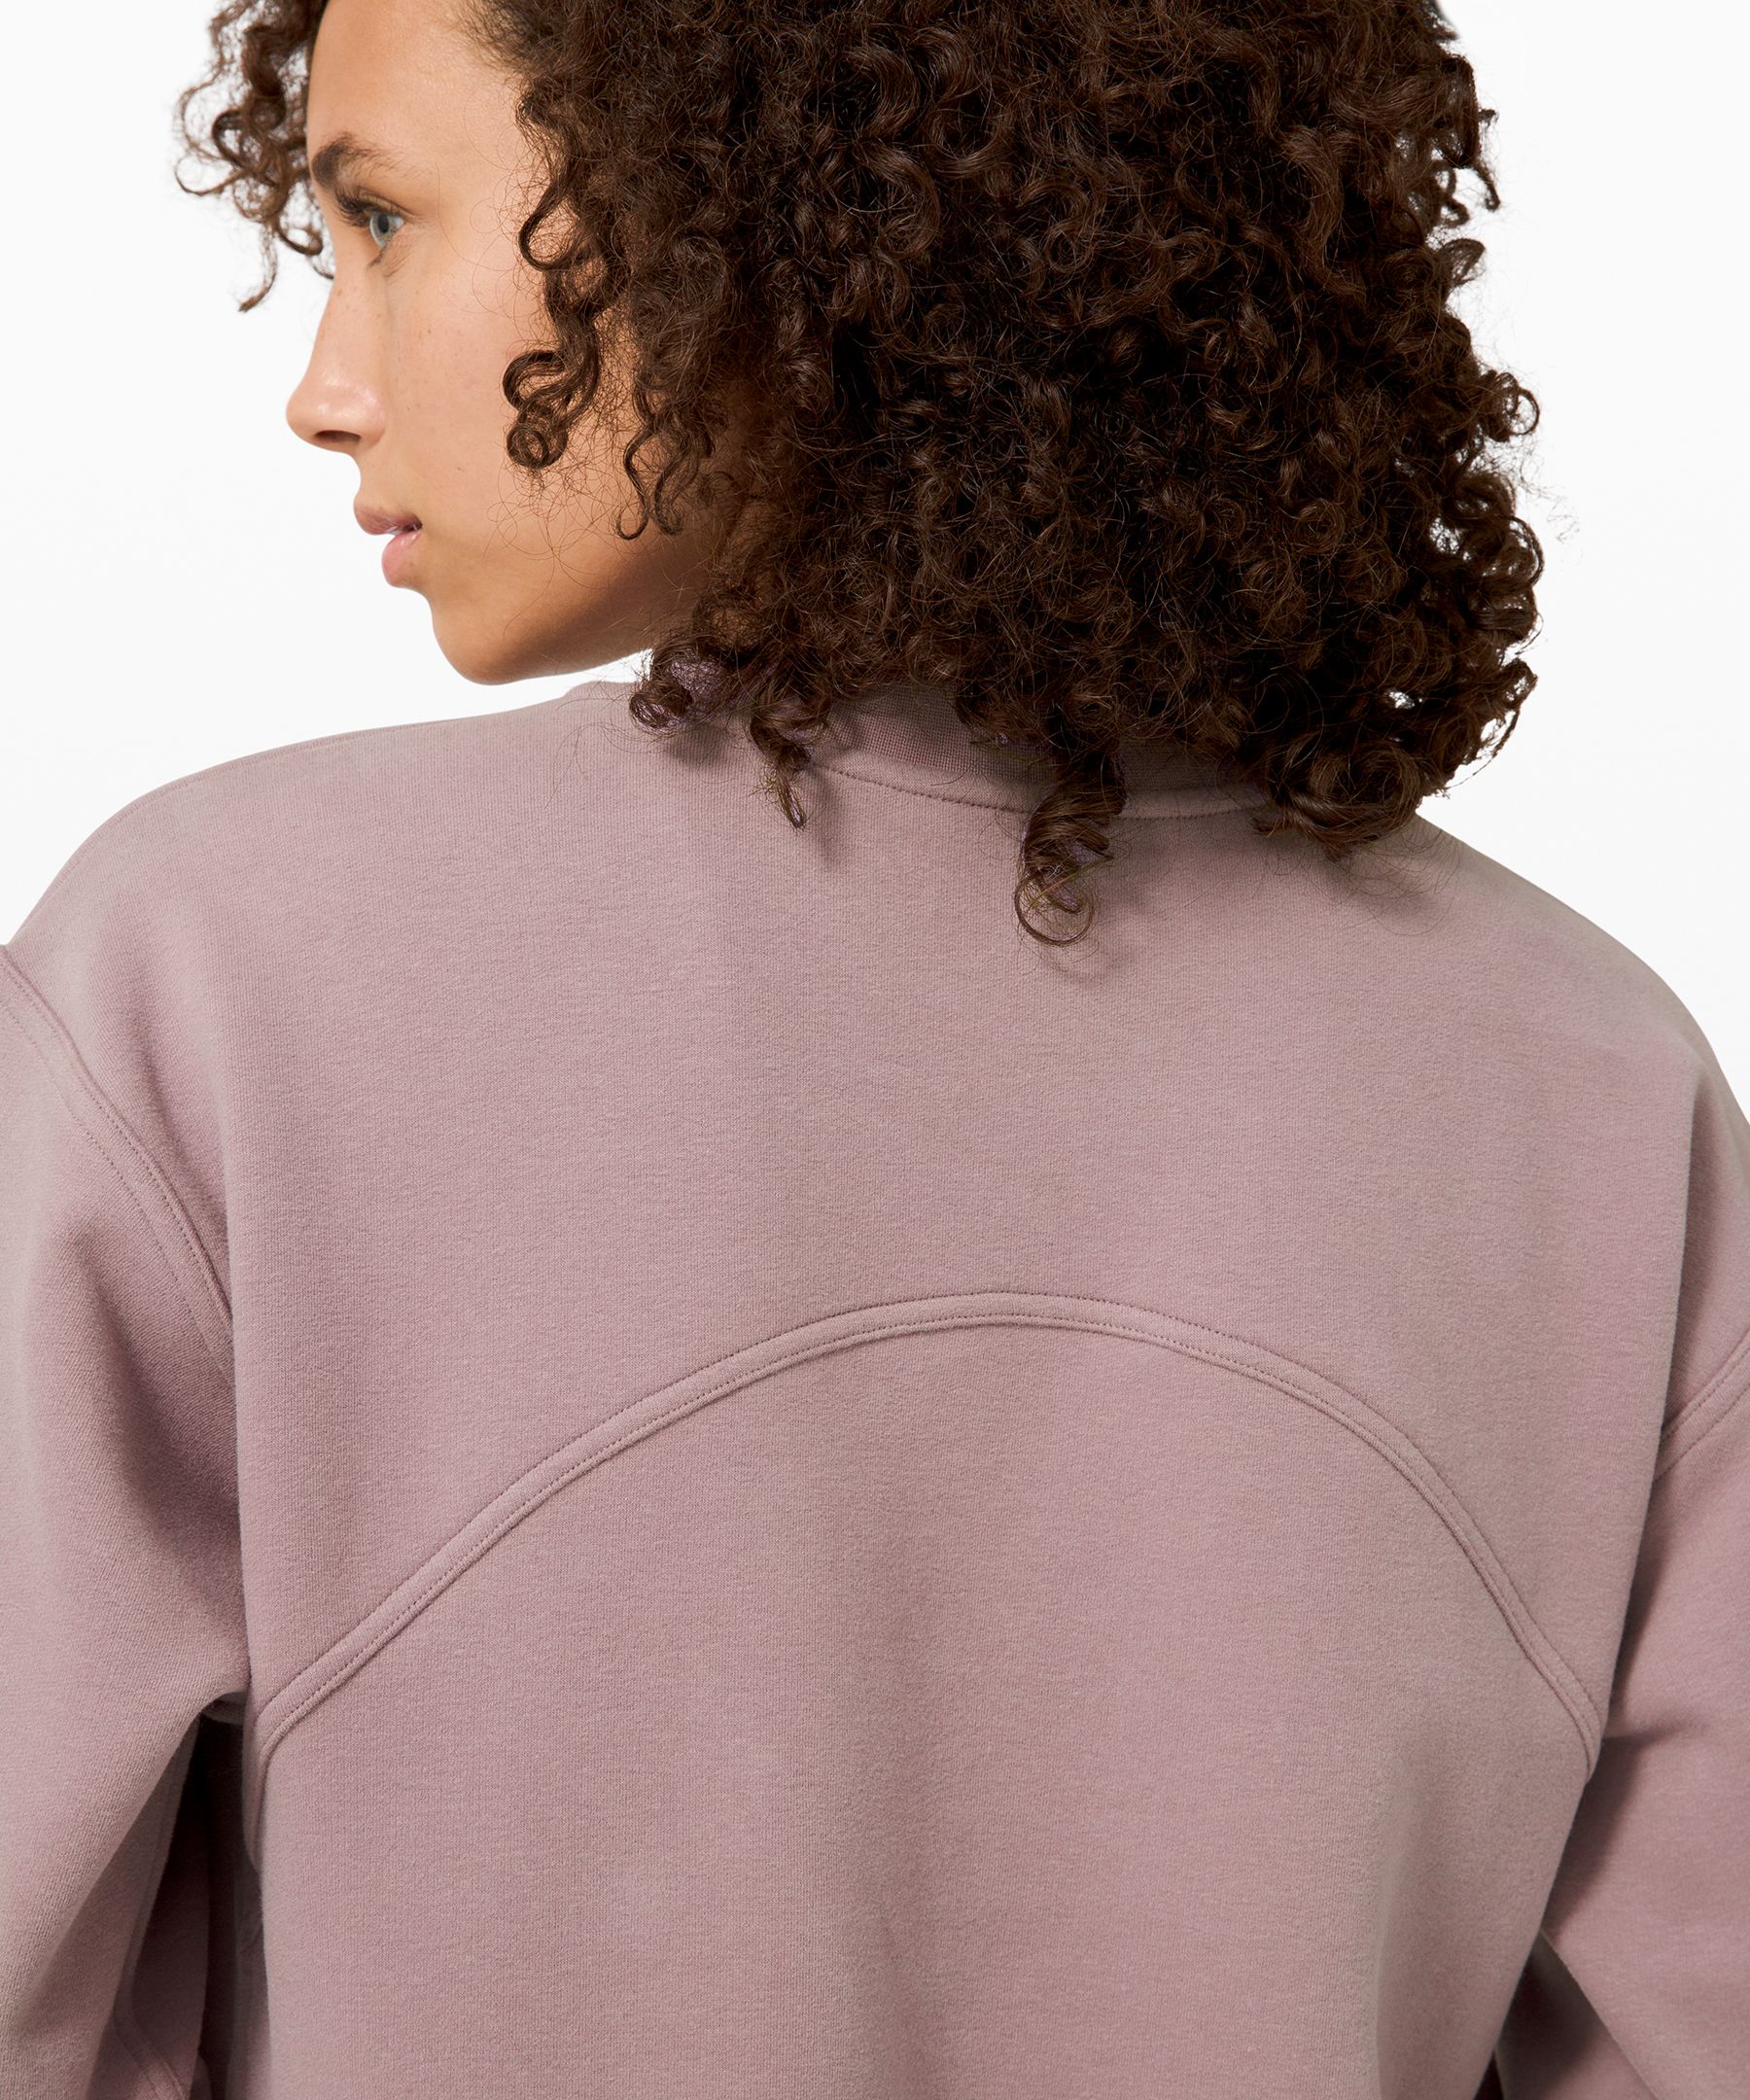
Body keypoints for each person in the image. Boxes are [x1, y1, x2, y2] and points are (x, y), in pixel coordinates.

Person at [1, 0, 1743, 2094]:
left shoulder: (206, 980)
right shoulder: (1595, 1098)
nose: (321, 387)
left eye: (380, 216)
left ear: (733, 198)